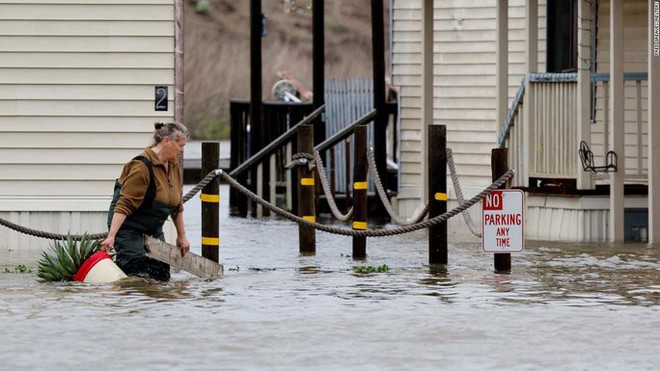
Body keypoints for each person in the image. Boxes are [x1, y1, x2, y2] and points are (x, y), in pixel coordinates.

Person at [100, 122, 191, 281]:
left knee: (161, 271)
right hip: (128, 226)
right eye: (180, 145)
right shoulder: (141, 167)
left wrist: (182, 236)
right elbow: (124, 205)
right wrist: (111, 236)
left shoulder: (174, 166)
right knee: (137, 271)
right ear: (166, 142)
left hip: (153, 227)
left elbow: (176, 206)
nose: (182, 150)